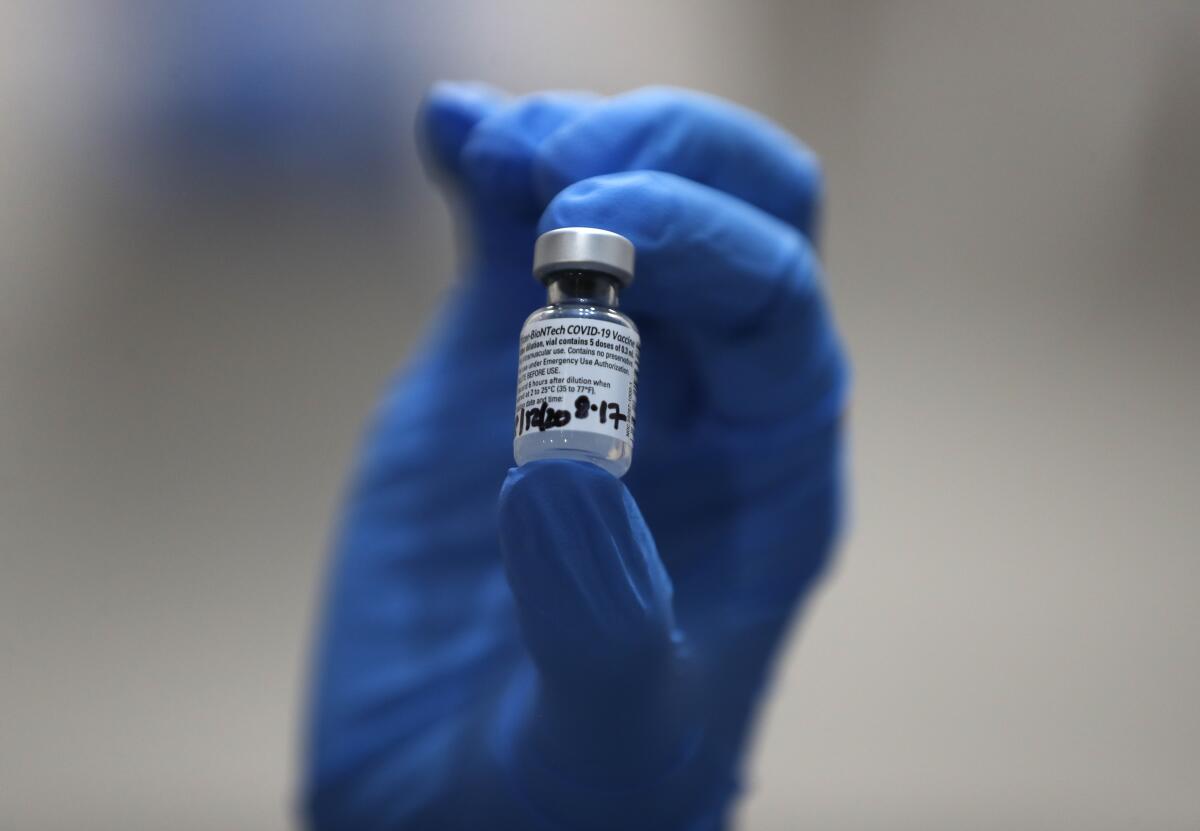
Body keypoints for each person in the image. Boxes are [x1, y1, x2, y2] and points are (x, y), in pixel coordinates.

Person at [304, 83, 849, 830]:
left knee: (572, 464)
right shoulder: (545, 329)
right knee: (565, 463)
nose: (583, 303)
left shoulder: (598, 333)